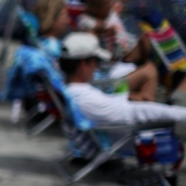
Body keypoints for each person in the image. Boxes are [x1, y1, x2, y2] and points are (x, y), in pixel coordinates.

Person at [58, 32, 186, 130]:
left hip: (130, 116)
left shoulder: (72, 90)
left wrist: (131, 96)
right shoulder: (86, 98)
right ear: (83, 64)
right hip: (143, 130)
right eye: (96, 61)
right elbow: (138, 112)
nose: (96, 66)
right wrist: (181, 114)